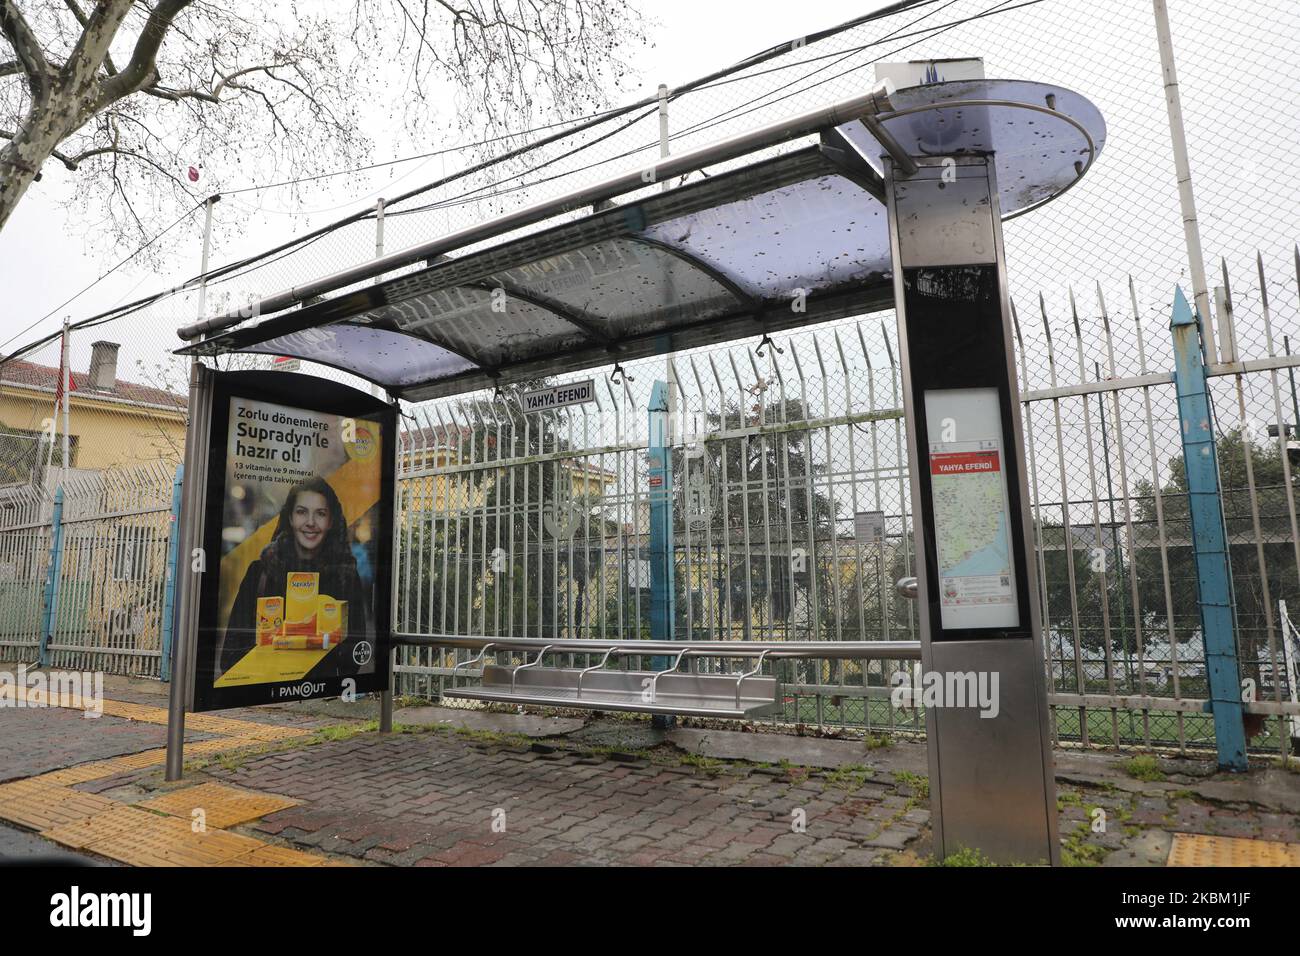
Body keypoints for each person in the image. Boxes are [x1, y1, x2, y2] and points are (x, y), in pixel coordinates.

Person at [218, 476, 372, 679]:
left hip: (320, 698)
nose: (310, 522)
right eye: (301, 512)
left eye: (320, 513)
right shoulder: (260, 573)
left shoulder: (345, 577)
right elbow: (229, 657)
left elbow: (354, 656)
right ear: (290, 518)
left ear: (331, 521)